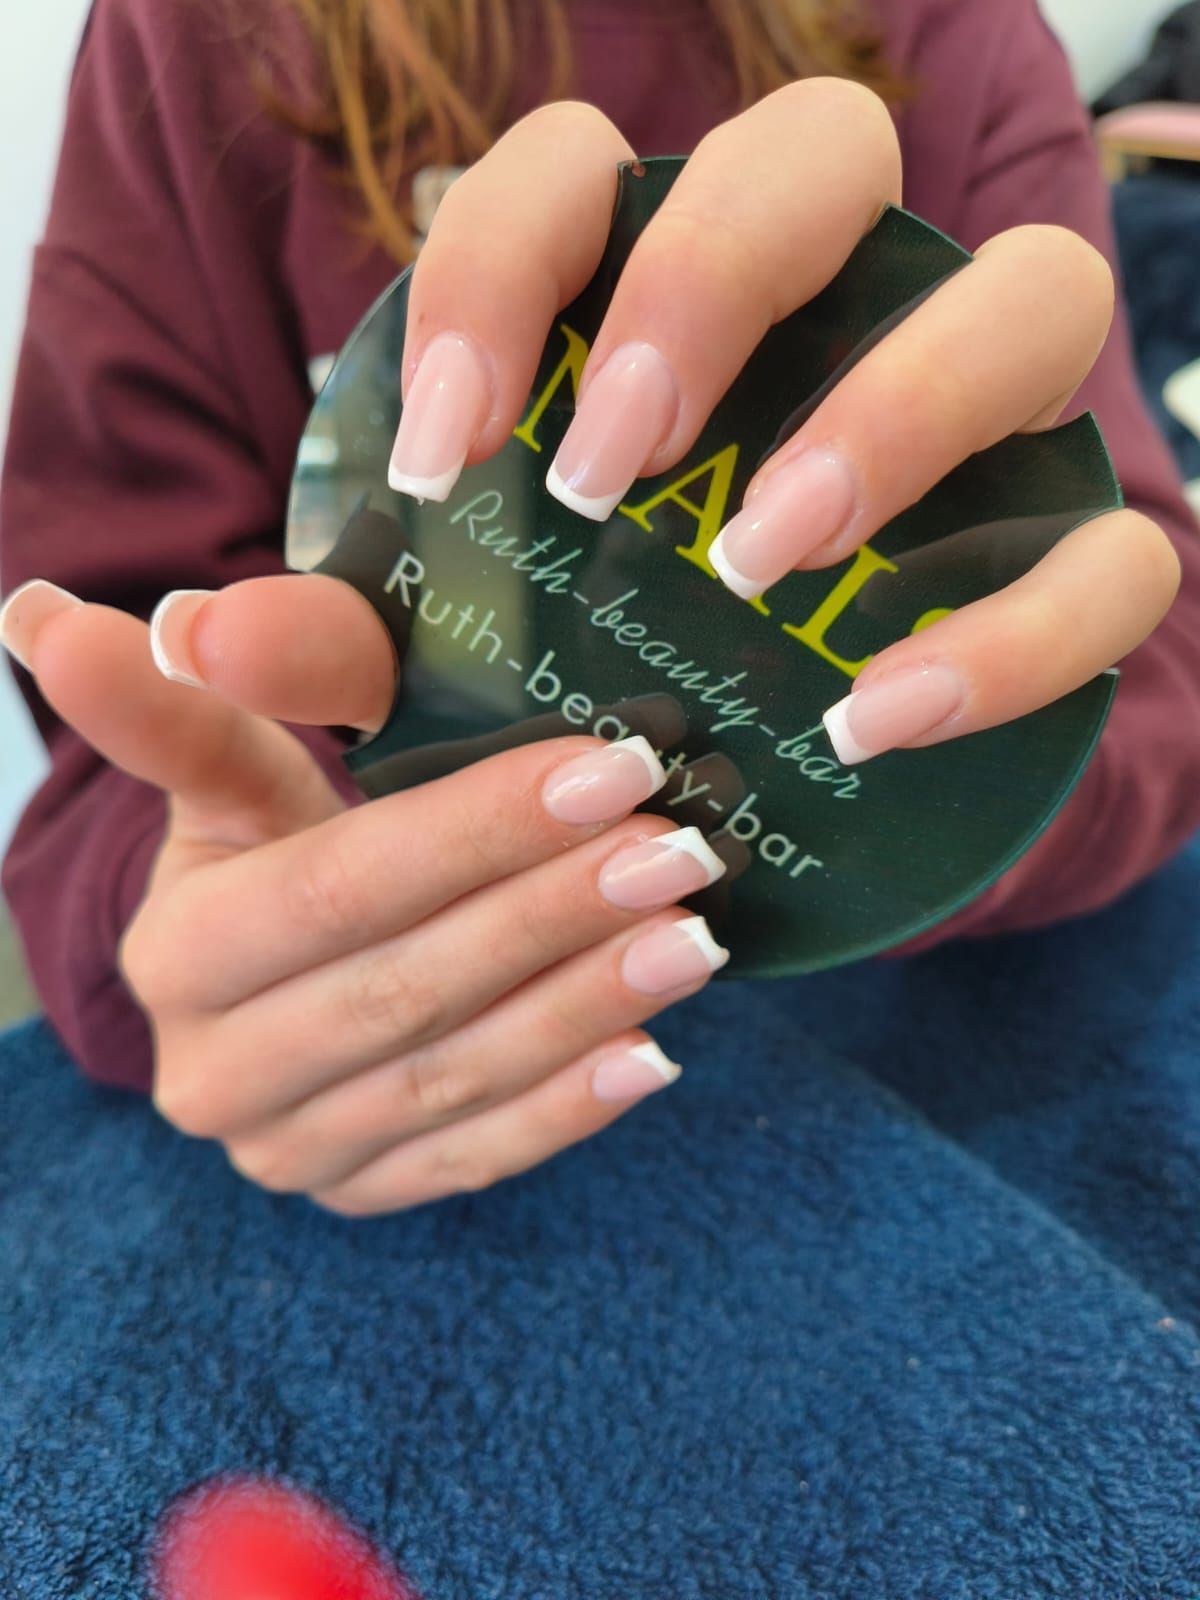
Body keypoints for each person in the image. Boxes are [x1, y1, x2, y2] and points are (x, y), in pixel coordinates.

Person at [0, 0, 1196, 1217]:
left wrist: (979, 780)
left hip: (851, 1112)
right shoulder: (197, 33)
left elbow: (1160, 658)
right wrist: (229, 928)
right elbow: (114, 749)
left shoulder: (964, 39)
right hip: (394, 1146)